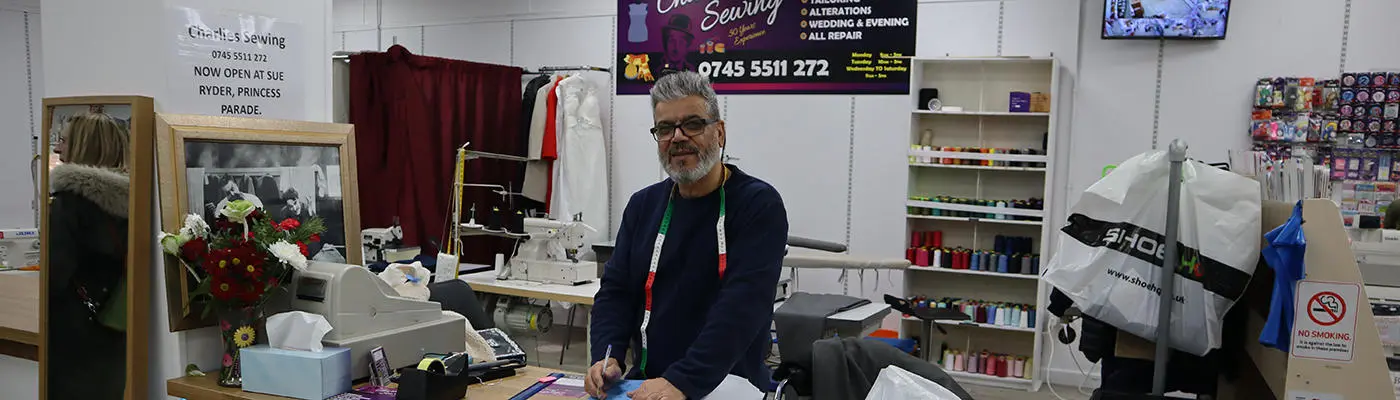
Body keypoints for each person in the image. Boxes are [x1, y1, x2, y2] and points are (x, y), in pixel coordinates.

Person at [586, 71, 788, 400]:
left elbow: (742, 307)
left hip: (729, 386)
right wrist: (607, 355)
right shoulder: (642, 206)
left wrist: (683, 381)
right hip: (649, 383)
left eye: (692, 124)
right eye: (665, 128)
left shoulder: (757, 205)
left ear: (719, 132)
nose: (678, 137)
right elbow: (616, 293)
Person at [47, 112, 131, 400]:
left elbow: (54, 277)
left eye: (64, 141)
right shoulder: (135, 202)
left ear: (83, 146)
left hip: (70, 338)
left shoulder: (68, 205)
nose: (57, 148)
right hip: (114, 328)